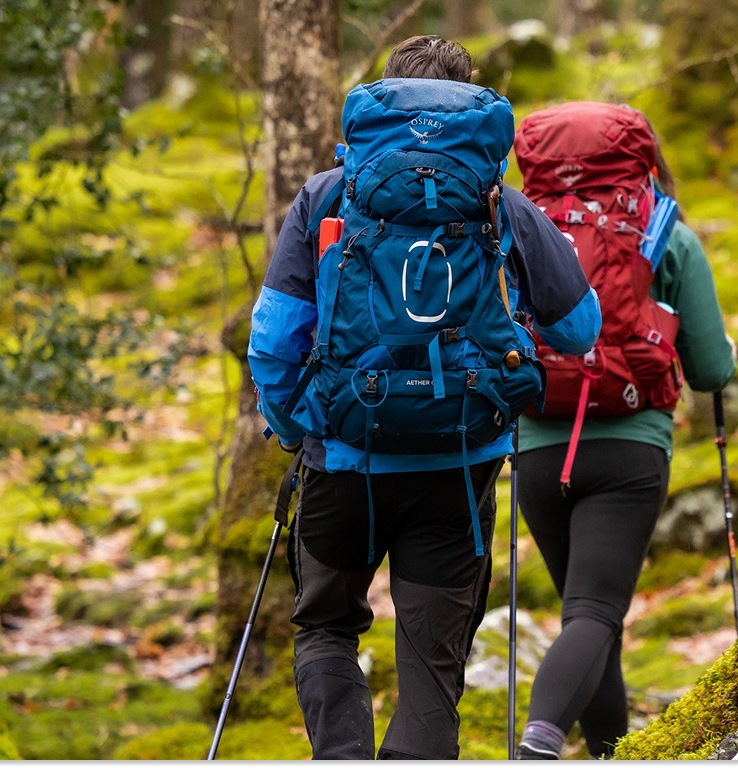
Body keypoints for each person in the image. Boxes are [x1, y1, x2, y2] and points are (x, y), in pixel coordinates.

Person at [246, 36, 602, 760]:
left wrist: (293, 424)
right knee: (432, 670)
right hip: (458, 461)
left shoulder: (326, 194)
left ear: (382, 100)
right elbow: (582, 326)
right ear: (472, 102)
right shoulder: (499, 201)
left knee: (327, 628)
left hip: (343, 453)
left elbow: (274, 340)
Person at [508, 104, 735, 760]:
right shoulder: (663, 233)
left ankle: (613, 755)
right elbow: (711, 369)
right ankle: (539, 746)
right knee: (595, 616)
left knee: (592, 620)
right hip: (630, 449)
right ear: (643, 158)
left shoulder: (521, 227)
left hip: (539, 450)